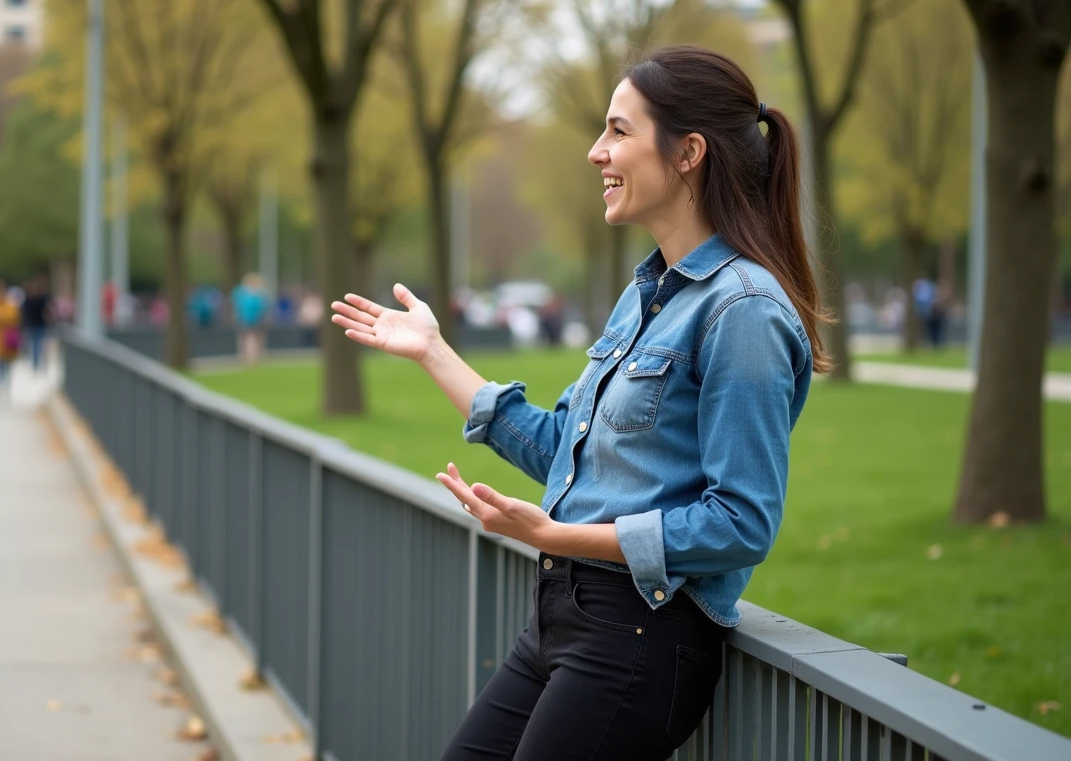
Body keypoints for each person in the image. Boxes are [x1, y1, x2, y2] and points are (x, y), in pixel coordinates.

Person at [331, 46, 825, 759]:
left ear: (688, 152)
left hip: (640, 638)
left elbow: (740, 522)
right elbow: (563, 449)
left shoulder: (742, 311)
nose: (597, 153)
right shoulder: (645, 296)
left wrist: (557, 536)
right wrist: (433, 352)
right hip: (563, 619)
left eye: (619, 131)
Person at [231, 274, 269, 364]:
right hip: (251, 320)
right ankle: (252, 357)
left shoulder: (240, 292)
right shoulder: (256, 293)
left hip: (246, 319)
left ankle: (248, 356)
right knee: (251, 339)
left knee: (248, 339)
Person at [21, 276, 53, 372]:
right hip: (35, 324)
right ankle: (37, 363)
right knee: (37, 345)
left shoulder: (38, 298)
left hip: (38, 324)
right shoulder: (35, 299)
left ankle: (37, 363)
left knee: (37, 345)